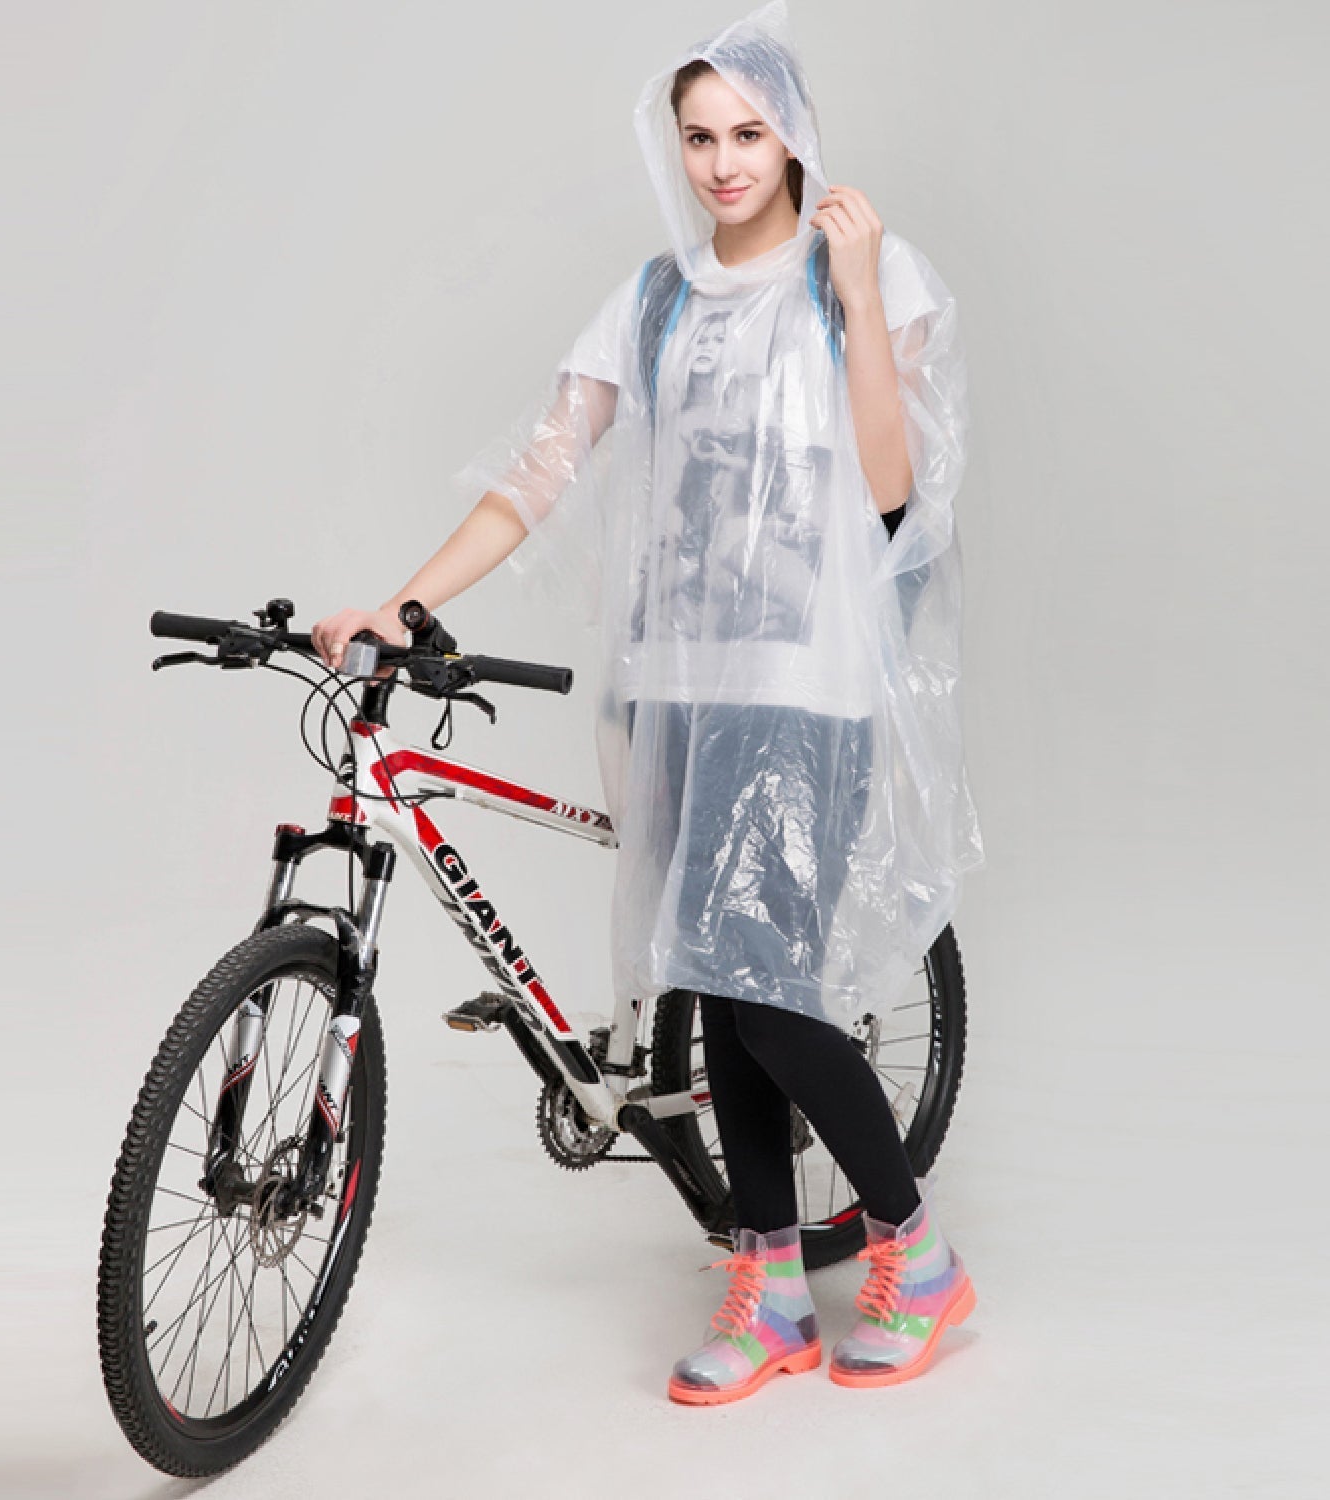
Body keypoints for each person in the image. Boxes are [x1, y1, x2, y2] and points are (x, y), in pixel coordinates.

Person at [311, 0, 982, 1403]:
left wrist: (860, 296)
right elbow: (539, 471)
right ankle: (773, 1289)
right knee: (717, 993)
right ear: (670, 143)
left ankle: (916, 1255)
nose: (725, 163)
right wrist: (404, 603)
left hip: (807, 688)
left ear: (794, 137)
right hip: (678, 689)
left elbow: (892, 489)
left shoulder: (862, 272)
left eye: (750, 134)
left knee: (771, 1001)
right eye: (699, 137)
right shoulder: (658, 298)